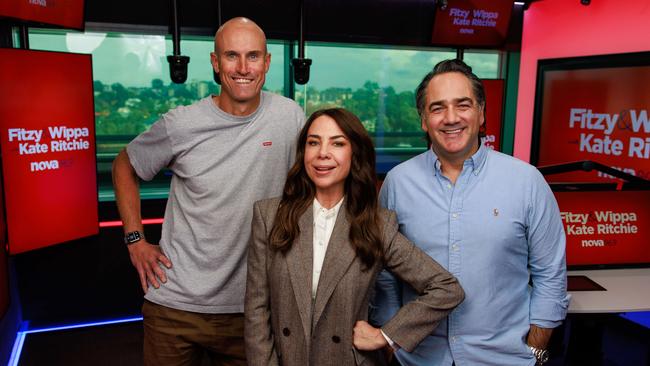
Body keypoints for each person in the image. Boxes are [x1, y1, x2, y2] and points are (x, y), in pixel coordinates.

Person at [111, 17, 305, 365]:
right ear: (215, 63)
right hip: (174, 305)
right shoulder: (181, 123)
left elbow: (313, 183)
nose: (243, 68)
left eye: (253, 56)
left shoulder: (289, 116)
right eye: (231, 56)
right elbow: (124, 165)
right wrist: (135, 240)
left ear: (268, 62)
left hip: (252, 309)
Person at [371, 59, 570, 366]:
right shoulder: (398, 183)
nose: (451, 118)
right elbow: (385, 275)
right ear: (423, 119)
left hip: (504, 360)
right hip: (418, 359)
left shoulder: (526, 181)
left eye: (462, 105)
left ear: (481, 113)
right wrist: (392, 345)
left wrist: (535, 350)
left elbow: (550, 274)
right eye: (437, 108)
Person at [244, 108, 464, 366]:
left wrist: (386, 335)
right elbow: (257, 310)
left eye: (337, 143)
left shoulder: (377, 225)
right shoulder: (269, 215)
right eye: (314, 142)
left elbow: (446, 289)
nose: (322, 153)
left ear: (354, 154)